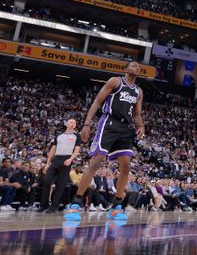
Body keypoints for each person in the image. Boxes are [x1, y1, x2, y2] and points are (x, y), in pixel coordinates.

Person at [65, 61, 145, 221]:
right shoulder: (115, 81)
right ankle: (76, 203)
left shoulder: (138, 91)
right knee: (97, 161)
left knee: (126, 166)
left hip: (125, 128)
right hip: (109, 123)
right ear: (126, 68)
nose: (137, 67)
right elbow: (97, 101)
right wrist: (87, 124)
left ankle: (116, 206)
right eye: (133, 65)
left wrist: (141, 125)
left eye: (139, 67)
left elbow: (137, 114)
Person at [39, 118, 83, 213]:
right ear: (66, 124)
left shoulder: (77, 136)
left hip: (66, 159)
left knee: (60, 185)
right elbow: (53, 150)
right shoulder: (59, 136)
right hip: (56, 159)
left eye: (74, 122)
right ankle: (43, 205)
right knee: (47, 181)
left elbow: (77, 151)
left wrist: (70, 159)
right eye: (71, 122)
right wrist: (48, 163)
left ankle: (53, 207)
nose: (73, 123)